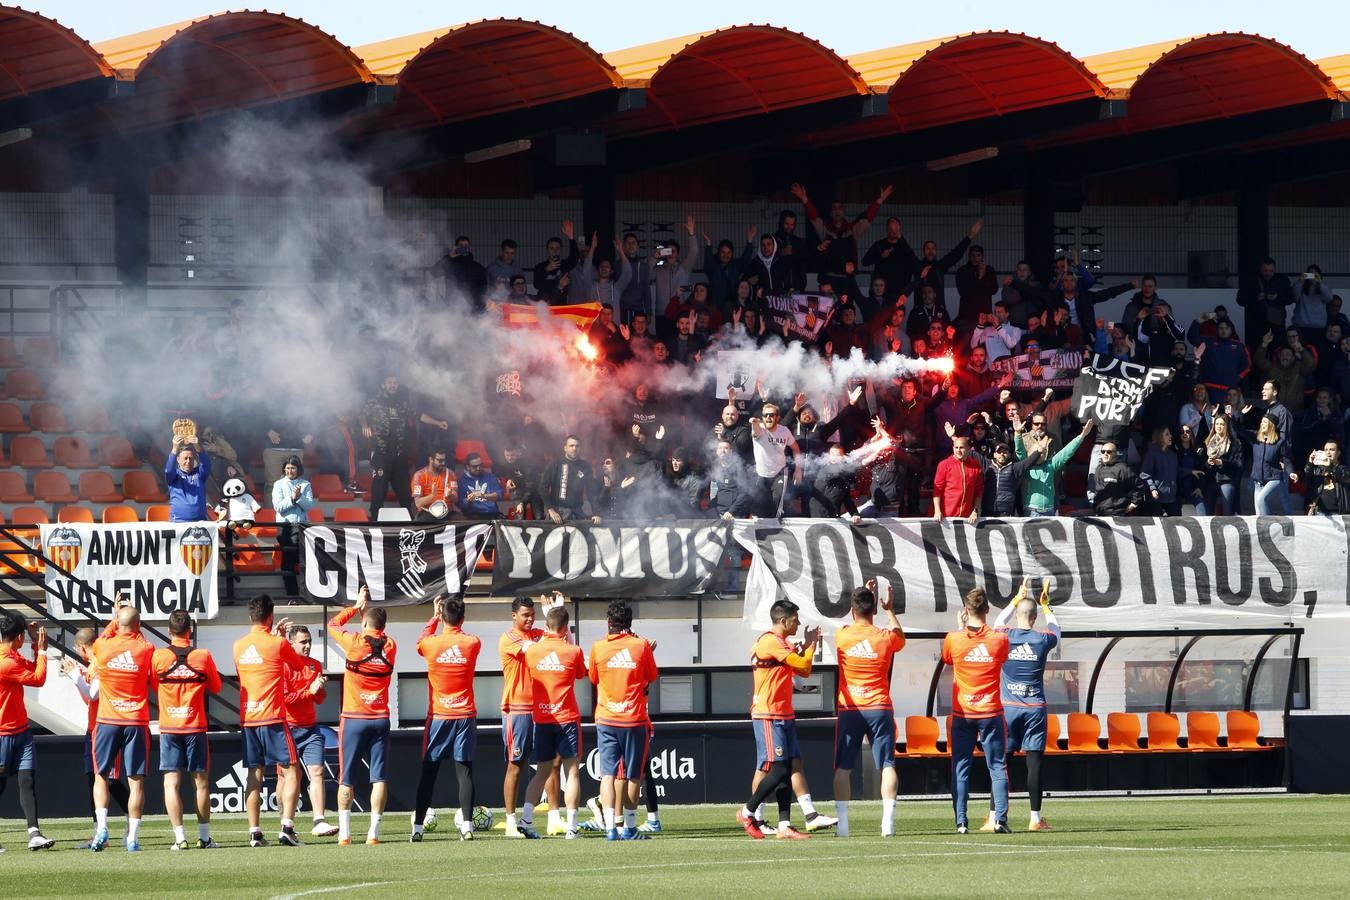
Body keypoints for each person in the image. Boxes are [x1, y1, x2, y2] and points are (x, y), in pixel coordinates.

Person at [737, 599, 820, 841]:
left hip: (783, 713)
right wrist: (811, 646)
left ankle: (785, 826)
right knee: (778, 768)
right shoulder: (770, 641)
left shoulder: (781, 643)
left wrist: (805, 646)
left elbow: (803, 670)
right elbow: (804, 664)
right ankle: (747, 812)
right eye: (795, 620)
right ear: (783, 621)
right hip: (769, 713)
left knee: (787, 767)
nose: (798, 623)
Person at [983, 579, 1060, 832]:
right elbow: (1057, 630)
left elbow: (997, 622)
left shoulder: (1005, 636)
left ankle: (994, 816)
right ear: (1034, 617)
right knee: (1034, 764)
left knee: (1000, 763)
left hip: (1008, 708)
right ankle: (1035, 819)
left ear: (1017, 615)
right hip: (1034, 708)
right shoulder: (1042, 639)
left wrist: (1016, 598)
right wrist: (1046, 606)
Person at [831, 580, 905, 838]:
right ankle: (887, 823)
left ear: (853, 611)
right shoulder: (885, 637)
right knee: (887, 764)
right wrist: (889, 609)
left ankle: (843, 826)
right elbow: (900, 637)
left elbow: (856, 617)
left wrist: (864, 595)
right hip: (879, 707)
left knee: (843, 767)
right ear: (873, 610)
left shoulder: (842, 634)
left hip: (851, 709)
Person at [233, 593, 306, 847]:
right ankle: (287, 827)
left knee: (254, 774)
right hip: (273, 717)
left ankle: (254, 833)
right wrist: (281, 638)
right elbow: (298, 666)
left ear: (251, 616)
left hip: (248, 719)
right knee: (292, 770)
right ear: (271, 616)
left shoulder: (238, 645)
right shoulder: (278, 644)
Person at [328, 585, 397, 846]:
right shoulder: (391, 645)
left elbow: (333, 624)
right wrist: (367, 620)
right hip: (380, 718)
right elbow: (377, 638)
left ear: (364, 622)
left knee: (346, 776)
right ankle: (373, 834)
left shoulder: (355, 642)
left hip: (354, 717)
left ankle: (345, 835)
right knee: (378, 777)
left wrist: (355, 607)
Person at [412, 594, 482, 842]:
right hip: (464, 715)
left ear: (443, 616)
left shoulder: (431, 644)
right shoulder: (473, 642)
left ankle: (418, 829)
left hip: (439, 716)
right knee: (465, 773)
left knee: (429, 772)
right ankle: (467, 827)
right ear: (463, 617)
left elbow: (420, 642)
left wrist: (433, 617)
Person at [942, 587, 1011, 835]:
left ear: (965, 610)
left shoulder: (954, 638)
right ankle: (1000, 820)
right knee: (997, 766)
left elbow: (948, 658)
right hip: (991, 712)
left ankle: (961, 822)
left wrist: (960, 630)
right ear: (987, 610)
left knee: (961, 766)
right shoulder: (999, 639)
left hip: (964, 713)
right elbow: (1001, 657)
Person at [589, 600, 660, 841]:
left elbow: (593, 678)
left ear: (609, 622)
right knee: (633, 775)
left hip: (607, 718)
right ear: (629, 623)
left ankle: (611, 828)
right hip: (633, 719)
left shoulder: (598, 647)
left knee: (607, 775)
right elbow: (651, 676)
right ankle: (629, 828)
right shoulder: (641, 646)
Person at [89, 602, 156, 851]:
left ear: (118, 623)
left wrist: (115, 616)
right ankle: (132, 839)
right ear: (138, 625)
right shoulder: (146, 648)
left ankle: (102, 828)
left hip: (107, 720)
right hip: (135, 722)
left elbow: (107, 633)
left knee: (101, 776)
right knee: (136, 781)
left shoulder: (102, 645)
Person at [153, 610, 222, 850]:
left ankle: (179, 838)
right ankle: (204, 838)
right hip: (195, 727)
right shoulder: (203, 656)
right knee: (201, 783)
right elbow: (216, 686)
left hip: (169, 728)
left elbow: (153, 683)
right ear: (190, 631)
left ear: (169, 631)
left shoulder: (158, 657)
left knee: (170, 783)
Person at [517, 604, 586, 840]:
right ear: (566, 627)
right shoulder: (573, 651)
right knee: (572, 772)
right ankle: (572, 827)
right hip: (566, 718)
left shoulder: (532, 651)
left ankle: (526, 819)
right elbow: (580, 673)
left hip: (542, 720)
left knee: (542, 772)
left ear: (546, 626)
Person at [61, 625, 130, 848]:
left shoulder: (101, 662)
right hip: (93, 728)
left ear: (82, 647)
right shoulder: (93, 664)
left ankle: (132, 821)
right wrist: (78, 678)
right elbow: (89, 699)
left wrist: (76, 678)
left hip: (106, 727)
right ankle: (100, 832)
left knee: (109, 779)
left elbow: (93, 694)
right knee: (94, 778)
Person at [0, 611, 54, 852]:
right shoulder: (6, 662)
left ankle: (34, 833)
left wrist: (35, 646)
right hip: (3, 733)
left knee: (26, 781)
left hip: (20, 731)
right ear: (19, 637)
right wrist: (42, 648)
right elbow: (38, 677)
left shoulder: (11, 656)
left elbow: (32, 670)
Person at [362, 375, 448, 520]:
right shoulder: (375, 400)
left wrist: (437, 423)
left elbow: (419, 416)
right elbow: (362, 414)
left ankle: (409, 522)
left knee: (404, 492)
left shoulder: (402, 403)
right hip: (381, 455)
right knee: (379, 490)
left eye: (395, 383)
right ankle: (375, 521)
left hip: (399, 455)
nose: (392, 385)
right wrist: (365, 425)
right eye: (389, 383)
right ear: (384, 384)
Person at [282, 625, 335, 838]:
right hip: (288, 728)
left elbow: (319, 699)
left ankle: (319, 820)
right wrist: (309, 691)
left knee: (318, 772)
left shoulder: (315, 665)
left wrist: (319, 688)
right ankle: (285, 821)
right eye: (302, 642)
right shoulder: (284, 666)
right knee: (288, 777)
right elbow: (286, 699)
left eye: (309, 641)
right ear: (291, 643)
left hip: (311, 728)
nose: (307, 645)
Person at [499, 596, 544, 838]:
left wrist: (556, 614)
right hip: (517, 709)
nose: (530, 619)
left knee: (551, 763)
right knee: (515, 765)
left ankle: (552, 818)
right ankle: (509, 821)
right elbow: (534, 650)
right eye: (525, 615)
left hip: (542, 709)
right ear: (514, 616)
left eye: (533, 614)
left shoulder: (539, 634)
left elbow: (560, 643)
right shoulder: (510, 637)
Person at [1017, 417, 1093, 516]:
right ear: (1030, 454)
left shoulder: (1050, 465)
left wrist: (1082, 435)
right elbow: (1019, 451)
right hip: (1032, 511)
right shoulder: (1026, 466)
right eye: (1038, 452)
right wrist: (1017, 434)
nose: (1042, 454)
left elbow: (1067, 452)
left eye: (1044, 451)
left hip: (1050, 511)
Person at [271, 455, 316, 596]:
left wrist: (299, 497)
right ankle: (292, 594)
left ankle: (304, 593)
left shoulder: (305, 484)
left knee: (301, 560)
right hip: (284, 527)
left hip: (301, 526)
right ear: (284, 469)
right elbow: (278, 507)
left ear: (298, 469)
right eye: (288, 468)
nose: (290, 471)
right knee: (288, 561)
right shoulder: (278, 484)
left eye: (293, 468)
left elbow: (309, 506)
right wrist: (292, 498)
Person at [747, 404, 802, 517]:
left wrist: (798, 469)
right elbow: (755, 431)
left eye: (771, 415)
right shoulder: (760, 429)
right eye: (765, 415)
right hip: (761, 474)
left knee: (778, 502)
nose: (768, 417)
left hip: (779, 472)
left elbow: (795, 448)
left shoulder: (784, 431)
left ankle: (779, 528)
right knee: (760, 505)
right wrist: (754, 424)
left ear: (777, 418)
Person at [540, 435, 601, 524]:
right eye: (571, 446)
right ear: (565, 448)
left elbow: (591, 491)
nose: (574, 448)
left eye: (577, 446)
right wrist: (550, 510)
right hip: (558, 513)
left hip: (577, 513)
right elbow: (543, 487)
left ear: (580, 448)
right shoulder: (555, 464)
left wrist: (597, 513)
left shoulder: (585, 467)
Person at [1236, 257, 1294, 342]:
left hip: (1277, 324)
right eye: (1265, 271)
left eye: (1271, 271)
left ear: (1275, 269)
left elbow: (1290, 298)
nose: (1268, 273)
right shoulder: (1251, 280)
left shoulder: (1282, 280)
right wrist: (1255, 298)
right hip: (1256, 325)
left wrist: (1277, 297)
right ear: (1260, 269)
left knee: (1277, 349)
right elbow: (1240, 300)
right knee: (1257, 350)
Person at [1246, 413, 1290, 516]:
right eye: (1261, 422)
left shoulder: (1280, 441)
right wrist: (1237, 416)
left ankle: (1268, 525)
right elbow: (1240, 430)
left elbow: (1286, 458)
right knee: (1259, 513)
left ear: (1271, 425)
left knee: (1261, 499)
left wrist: (1290, 471)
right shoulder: (1256, 438)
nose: (1262, 424)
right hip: (1258, 480)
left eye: (1265, 422)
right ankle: (1267, 528)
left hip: (1274, 478)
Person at [932, 436, 983, 523]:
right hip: (945, 517)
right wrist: (937, 511)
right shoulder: (944, 464)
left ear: (968, 449)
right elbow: (937, 490)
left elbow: (979, 491)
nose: (958, 451)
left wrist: (976, 510)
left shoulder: (975, 465)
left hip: (967, 518)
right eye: (956, 447)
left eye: (962, 447)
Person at [1092, 442, 1150, 516]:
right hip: (1100, 513)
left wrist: (1134, 503)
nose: (1105, 454)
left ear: (1115, 453)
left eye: (1109, 452)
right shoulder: (1099, 468)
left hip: (1117, 514)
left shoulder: (1123, 468)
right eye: (1103, 452)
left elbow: (1140, 485)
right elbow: (1097, 490)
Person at [1202, 413, 1244, 514]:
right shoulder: (1208, 442)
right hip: (1211, 480)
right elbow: (1202, 463)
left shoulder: (1234, 443)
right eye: (1217, 424)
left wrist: (1221, 462)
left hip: (1227, 479)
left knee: (1227, 512)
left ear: (1226, 426)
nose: (1219, 427)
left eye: (1222, 424)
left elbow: (1239, 464)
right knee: (1208, 512)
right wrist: (1208, 462)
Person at [165, 432, 211, 522]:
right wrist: (174, 449)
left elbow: (206, 464)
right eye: (185, 458)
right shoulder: (174, 476)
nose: (188, 461)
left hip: (200, 522)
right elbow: (169, 469)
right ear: (178, 459)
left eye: (191, 458)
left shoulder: (199, 474)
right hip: (178, 522)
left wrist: (197, 447)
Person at [1303, 440, 1350, 516]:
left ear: (1338, 453)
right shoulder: (1318, 468)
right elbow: (1306, 480)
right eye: (1326, 450)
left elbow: (1343, 477)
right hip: (1320, 512)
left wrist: (1329, 465)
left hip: (1339, 513)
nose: (1328, 452)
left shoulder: (1344, 469)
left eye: (1331, 450)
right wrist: (1310, 463)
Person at [411, 449, 458, 521]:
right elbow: (418, 503)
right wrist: (432, 495)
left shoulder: (450, 474)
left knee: (461, 520)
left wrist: (450, 495)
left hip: (447, 511)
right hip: (428, 512)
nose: (443, 463)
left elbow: (456, 499)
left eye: (444, 460)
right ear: (431, 459)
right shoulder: (419, 475)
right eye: (440, 460)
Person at [458, 452, 503, 519]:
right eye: (474, 466)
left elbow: (499, 495)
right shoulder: (462, 482)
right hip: (474, 516)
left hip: (492, 514)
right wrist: (468, 500)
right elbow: (461, 504)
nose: (478, 468)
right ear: (468, 467)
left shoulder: (490, 477)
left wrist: (484, 496)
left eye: (480, 465)